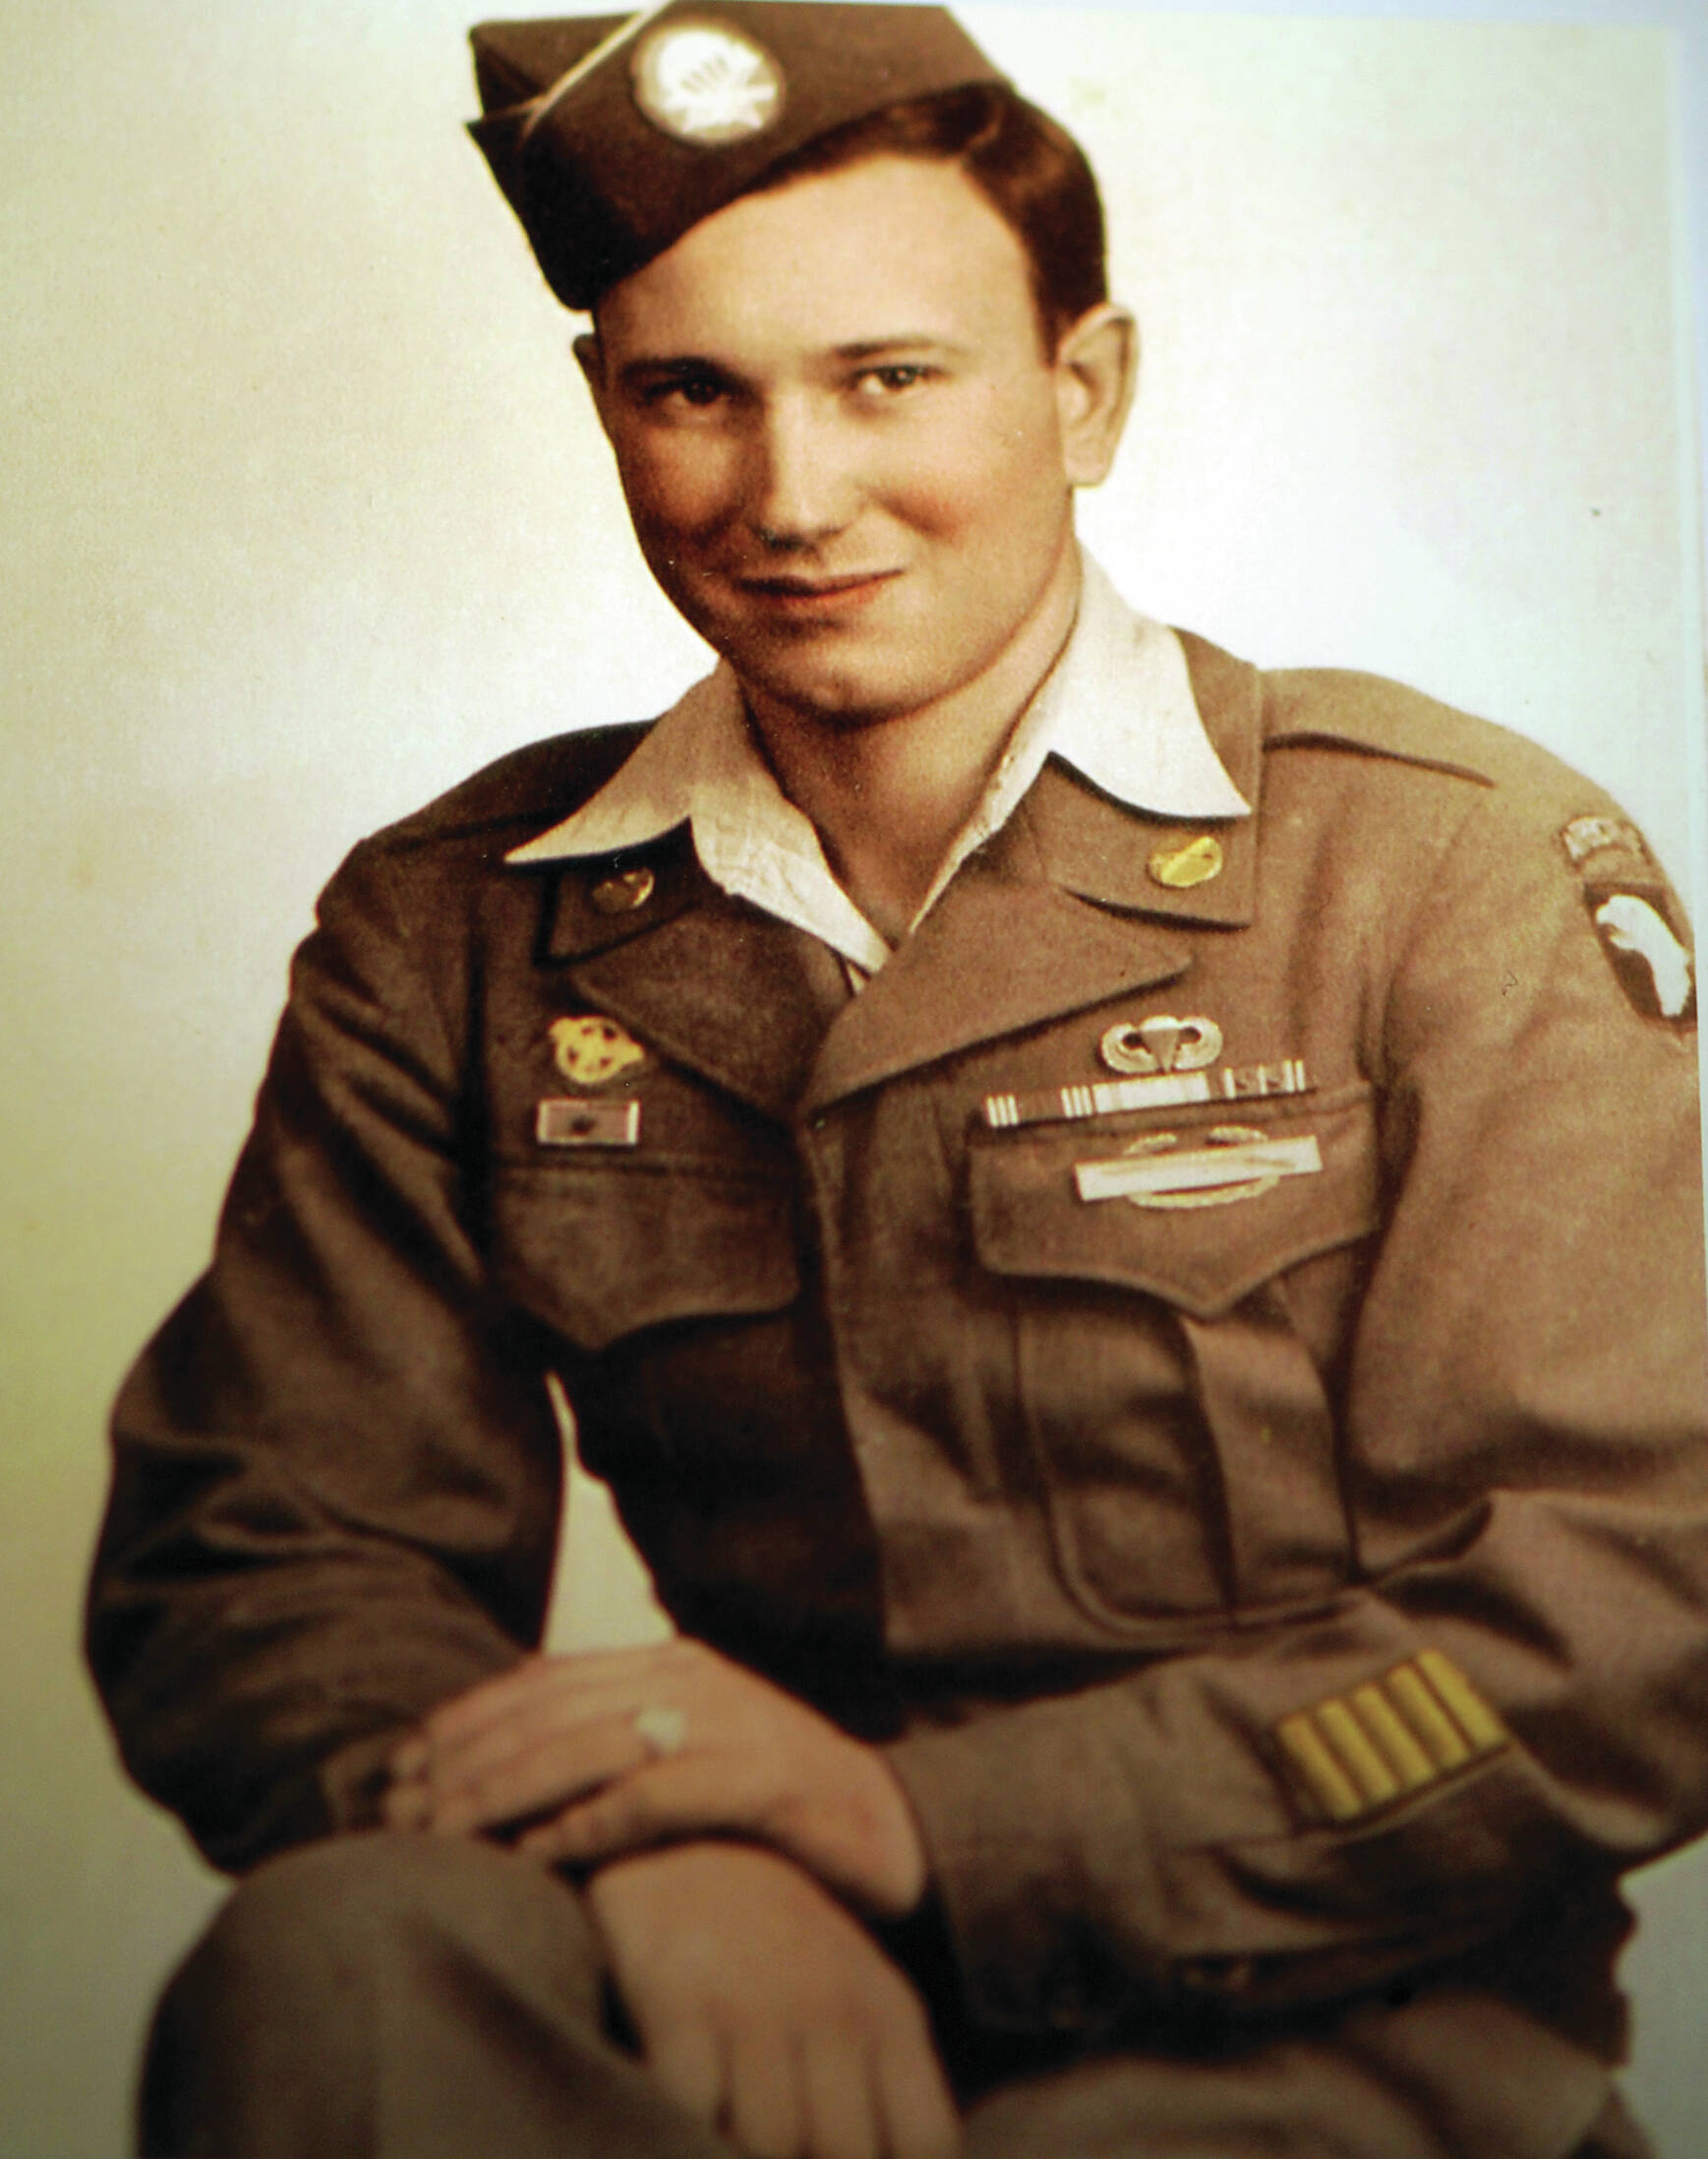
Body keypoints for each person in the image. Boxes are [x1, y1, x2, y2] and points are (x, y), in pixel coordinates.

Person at [88, 6, 1708, 2156]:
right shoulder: (465, 924)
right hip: (741, 1986)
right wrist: (645, 1839)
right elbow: (267, 1553)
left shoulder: (1429, 865)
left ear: (1083, 388)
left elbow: (1635, 1599)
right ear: (601, 407)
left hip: (1315, 2011)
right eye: (692, 393)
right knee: (346, 1962)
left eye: (885, 379)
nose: (788, 496)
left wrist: (907, 1828)